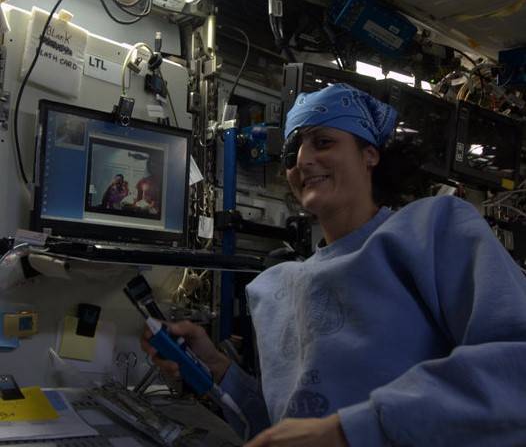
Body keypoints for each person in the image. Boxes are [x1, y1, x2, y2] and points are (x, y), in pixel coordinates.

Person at [141, 83, 526, 446]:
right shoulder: (274, 288)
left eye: (323, 142)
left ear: (370, 153)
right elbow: (289, 429)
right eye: (294, 152)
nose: (304, 160)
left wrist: (354, 431)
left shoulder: (433, 229)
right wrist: (219, 370)